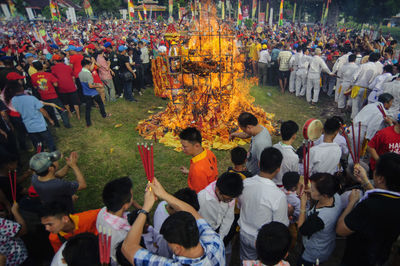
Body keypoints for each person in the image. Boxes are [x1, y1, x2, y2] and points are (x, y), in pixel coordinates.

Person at [122, 177, 225, 265]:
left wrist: (145, 208)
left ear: (177, 248)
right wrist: (163, 194)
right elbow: (193, 213)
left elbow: (128, 247)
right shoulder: (215, 242)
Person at [337, 153, 400, 266]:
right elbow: (382, 197)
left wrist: (352, 202)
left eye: (375, 170)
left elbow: (341, 230)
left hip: (358, 259)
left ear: (380, 178)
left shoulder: (369, 206)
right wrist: (365, 181)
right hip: (380, 256)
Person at [238, 147, 289, 260]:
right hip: (265, 241)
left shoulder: (245, 183)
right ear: (278, 169)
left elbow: (240, 205)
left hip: (244, 233)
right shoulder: (278, 196)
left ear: (260, 163)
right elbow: (280, 225)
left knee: (246, 261)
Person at [297, 173, 342, 266]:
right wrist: (312, 193)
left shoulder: (321, 218)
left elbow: (302, 229)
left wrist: (302, 206)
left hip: (313, 254)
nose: (310, 190)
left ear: (324, 195)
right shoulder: (335, 196)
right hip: (326, 245)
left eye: (313, 189)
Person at [96, 177, 142, 265]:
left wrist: (132, 203)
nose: (133, 197)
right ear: (125, 205)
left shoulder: (103, 212)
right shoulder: (122, 236)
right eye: (132, 195)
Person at [10, 81, 57, 151]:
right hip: (40, 125)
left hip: (29, 126)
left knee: (37, 143)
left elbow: (18, 111)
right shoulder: (31, 98)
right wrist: (50, 119)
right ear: (22, 88)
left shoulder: (13, 100)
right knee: (49, 140)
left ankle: (41, 155)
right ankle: (53, 153)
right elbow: (43, 111)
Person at [197, 172, 243, 241]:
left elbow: (228, 218)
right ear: (218, 190)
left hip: (218, 230)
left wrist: (220, 238)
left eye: (232, 199)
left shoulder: (230, 195)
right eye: (227, 199)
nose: (230, 201)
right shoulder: (201, 198)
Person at [31, 61, 71, 128]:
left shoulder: (33, 76)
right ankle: (67, 124)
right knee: (61, 109)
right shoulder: (48, 74)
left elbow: (35, 87)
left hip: (44, 97)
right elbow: (55, 84)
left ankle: (56, 124)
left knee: (50, 112)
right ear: (42, 66)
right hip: (53, 95)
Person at [179, 127, 218, 193]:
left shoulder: (197, 169)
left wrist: (194, 173)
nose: (182, 148)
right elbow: (208, 173)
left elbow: (199, 194)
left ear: (196, 146)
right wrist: (190, 172)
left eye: (185, 146)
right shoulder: (209, 153)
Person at [79, 59, 111, 127]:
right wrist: (98, 85)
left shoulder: (80, 73)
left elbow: (86, 84)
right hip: (93, 92)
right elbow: (90, 85)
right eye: (90, 65)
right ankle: (104, 115)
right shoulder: (88, 74)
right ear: (87, 65)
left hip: (86, 93)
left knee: (88, 109)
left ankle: (88, 123)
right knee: (101, 103)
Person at [351, 52, 381, 119]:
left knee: (355, 105)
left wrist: (352, 84)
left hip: (357, 87)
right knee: (362, 105)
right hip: (367, 89)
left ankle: (354, 119)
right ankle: (359, 118)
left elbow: (354, 77)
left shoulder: (362, 66)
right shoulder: (376, 69)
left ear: (369, 58)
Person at [51, 54, 80, 120]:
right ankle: (78, 115)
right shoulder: (68, 67)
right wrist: (74, 84)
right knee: (75, 102)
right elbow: (73, 77)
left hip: (62, 88)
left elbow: (53, 78)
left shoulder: (53, 68)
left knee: (65, 102)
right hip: (71, 87)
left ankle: (70, 113)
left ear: (55, 61)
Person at [272, 120, 299, 186]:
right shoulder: (294, 157)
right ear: (294, 136)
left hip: (271, 183)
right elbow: (294, 176)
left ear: (280, 133)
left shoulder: (273, 147)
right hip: (284, 187)